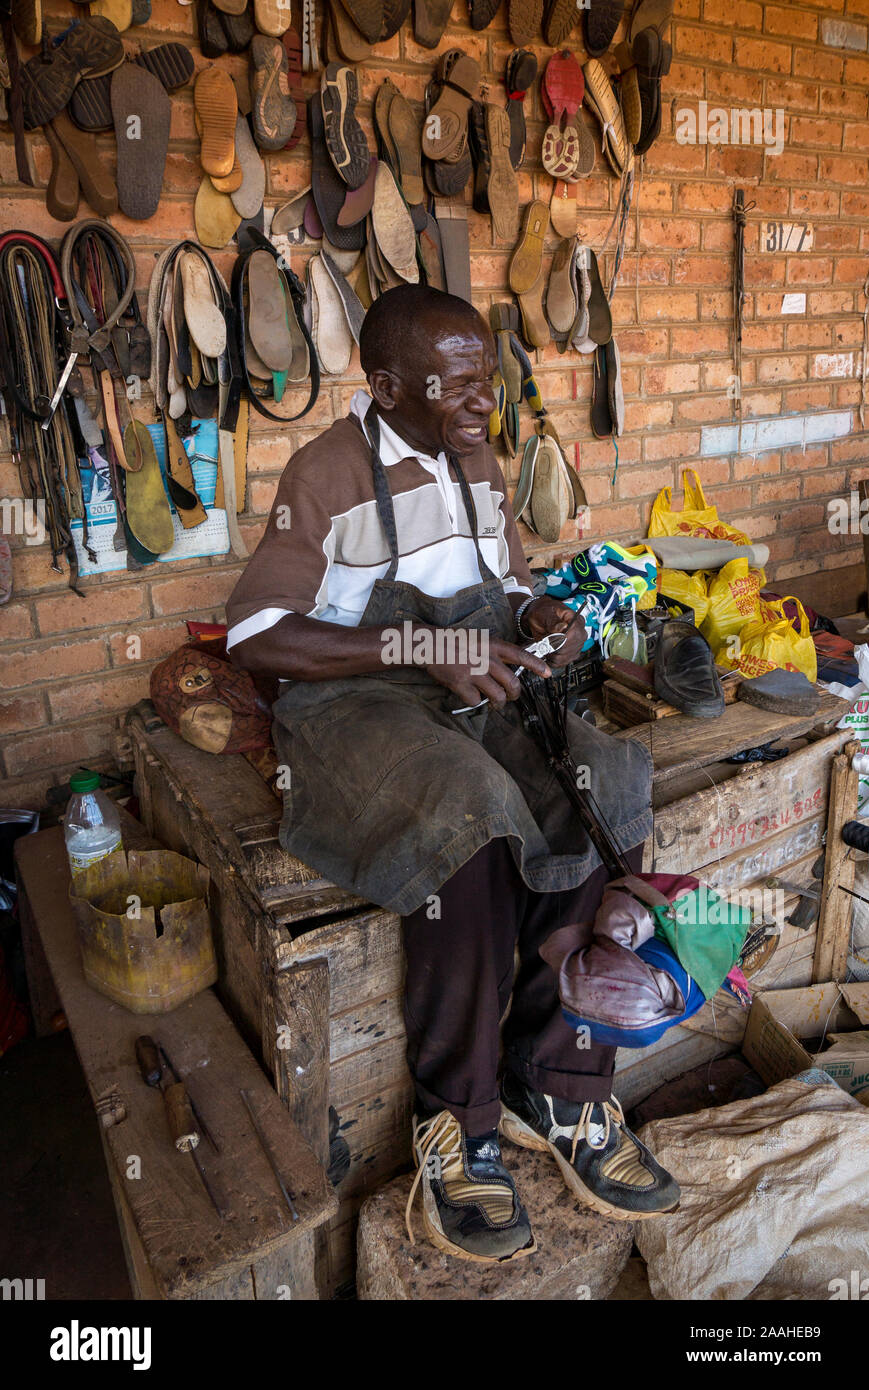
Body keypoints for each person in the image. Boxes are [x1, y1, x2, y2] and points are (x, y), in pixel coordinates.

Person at [226, 284, 679, 1264]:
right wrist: (413, 647)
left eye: (488, 377)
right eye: (458, 382)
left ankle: (557, 1083)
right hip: (355, 704)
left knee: (610, 776)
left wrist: (531, 619)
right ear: (384, 384)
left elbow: (506, 581)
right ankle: (460, 1124)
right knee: (468, 806)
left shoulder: (473, 458)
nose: (484, 401)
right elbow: (255, 634)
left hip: (472, 680)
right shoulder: (326, 471)